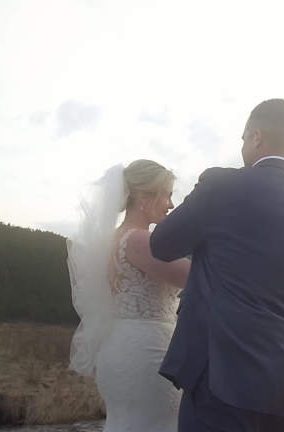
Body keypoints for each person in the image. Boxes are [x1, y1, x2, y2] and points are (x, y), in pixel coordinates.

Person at [150, 98, 284, 432]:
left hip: (219, 378)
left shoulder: (222, 187)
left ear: (256, 137)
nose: (242, 146)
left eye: (242, 138)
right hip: (281, 389)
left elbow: (161, 244)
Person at [67, 159, 190, 432]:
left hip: (120, 345)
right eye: (167, 194)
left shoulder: (113, 238)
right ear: (144, 197)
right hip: (148, 352)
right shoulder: (139, 241)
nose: (171, 204)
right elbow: (194, 276)